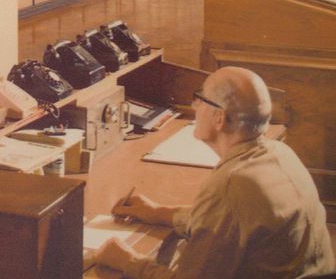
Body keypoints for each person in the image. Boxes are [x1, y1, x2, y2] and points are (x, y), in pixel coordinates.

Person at [93, 66, 335, 278]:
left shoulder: (232, 184)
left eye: (201, 99)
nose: (193, 105)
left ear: (219, 118)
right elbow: (231, 223)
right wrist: (160, 213)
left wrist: (128, 261)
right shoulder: (279, 152)